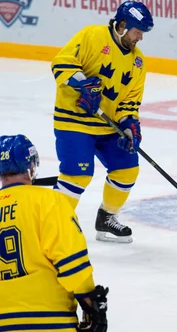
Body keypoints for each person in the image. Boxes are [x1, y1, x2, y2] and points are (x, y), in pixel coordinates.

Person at [50, 0, 154, 243]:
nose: (140, 38)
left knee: (127, 170)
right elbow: (61, 62)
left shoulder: (138, 62)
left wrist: (130, 123)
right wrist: (82, 85)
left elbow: (130, 101)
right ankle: (53, 226)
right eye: (137, 32)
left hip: (107, 126)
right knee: (77, 174)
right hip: (74, 121)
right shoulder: (93, 36)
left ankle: (106, 218)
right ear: (121, 26)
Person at [0, 134, 108, 332]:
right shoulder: (49, 202)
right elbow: (71, 262)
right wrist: (91, 304)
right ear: (31, 167)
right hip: (48, 320)